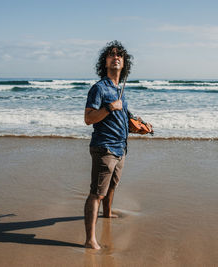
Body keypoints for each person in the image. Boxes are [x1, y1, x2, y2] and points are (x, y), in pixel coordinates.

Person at [83, 40, 153, 249]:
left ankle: (107, 213)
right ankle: (90, 240)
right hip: (104, 147)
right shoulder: (100, 89)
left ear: (124, 63)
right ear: (105, 62)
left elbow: (124, 121)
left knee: (112, 186)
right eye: (112, 55)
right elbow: (88, 118)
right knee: (97, 192)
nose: (116, 57)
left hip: (120, 148)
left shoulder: (121, 90)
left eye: (120, 55)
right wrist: (109, 108)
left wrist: (141, 126)